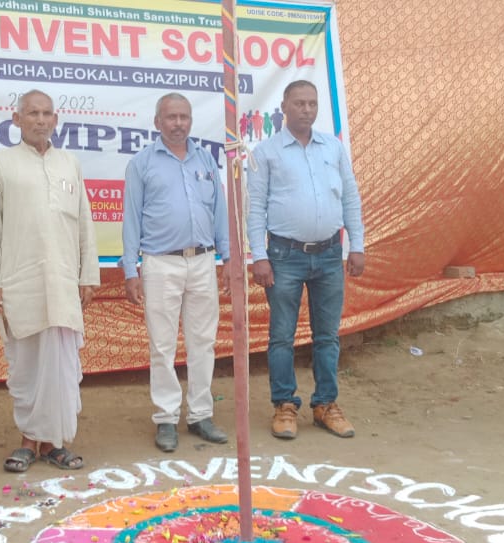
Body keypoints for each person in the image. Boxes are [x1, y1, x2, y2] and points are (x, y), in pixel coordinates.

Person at [0, 90, 99, 473]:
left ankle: (54, 442)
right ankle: (28, 439)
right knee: (26, 363)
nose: (41, 120)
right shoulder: (2, 163)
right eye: (33, 113)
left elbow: (84, 221)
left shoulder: (70, 163)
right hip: (20, 277)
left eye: (47, 113)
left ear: (56, 119)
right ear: (17, 120)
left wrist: (88, 274)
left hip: (64, 278)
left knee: (61, 364)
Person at [248, 80, 366, 440]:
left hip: (330, 254)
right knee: (282, 336)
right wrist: (259, 256)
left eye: (312, 104)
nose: (306, 109)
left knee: (327, 336)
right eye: (299, 103)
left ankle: (325, 405)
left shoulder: (333, 148)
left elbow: (350, 198)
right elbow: (255, 207)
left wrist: (356, 245)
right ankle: (284, 405)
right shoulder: (265, 152)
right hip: (283, 256)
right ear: (284, 106)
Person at [121, 93, 230, 453]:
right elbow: (131, 218)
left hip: (202, 262)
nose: (178, 123)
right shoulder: (142, 163)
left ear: (191, 121)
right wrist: (130, 269)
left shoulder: (206, 161)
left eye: (184, 116)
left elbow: (219, 212)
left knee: (204, 342)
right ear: (158, 122)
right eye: (171, 117)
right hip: (160, 263)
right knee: (162, 345)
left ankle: (200, 414)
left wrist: (228, 258)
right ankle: (166, 417)